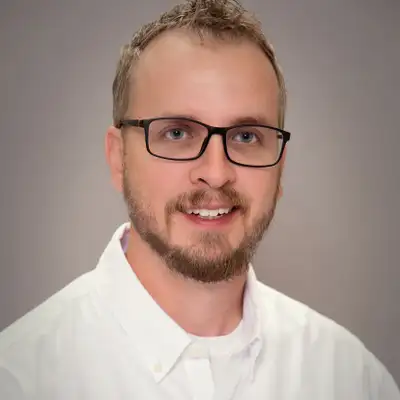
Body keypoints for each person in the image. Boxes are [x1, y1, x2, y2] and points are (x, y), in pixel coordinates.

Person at [0, 0, 399, 398]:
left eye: (246, 137)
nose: (216, 172)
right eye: (177, 133)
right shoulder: (19, 380)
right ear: (118, 157)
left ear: (280, 167)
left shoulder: (352, 379)